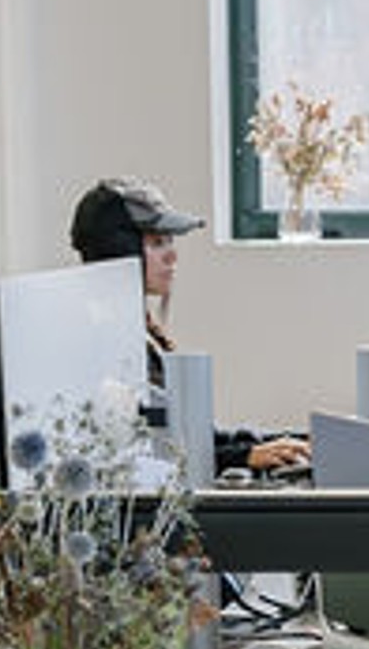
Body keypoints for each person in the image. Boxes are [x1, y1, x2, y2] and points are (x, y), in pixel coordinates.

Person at [69, 177, 308, 474]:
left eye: (170, 241)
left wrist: (269, 442)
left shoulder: (131, 334)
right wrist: (241, 457)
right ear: (121, 251)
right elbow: (150, 453)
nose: (173, 256)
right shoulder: (103, 344)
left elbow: (181, 433)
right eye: (158, 243)